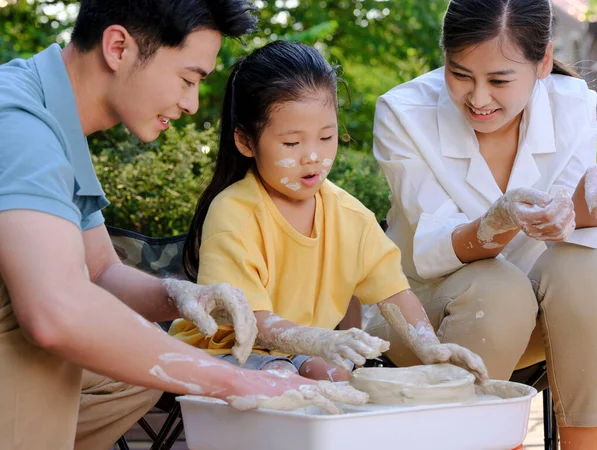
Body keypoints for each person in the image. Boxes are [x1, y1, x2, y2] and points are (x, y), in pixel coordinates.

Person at [0, 2, 358, 449]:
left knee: (137, 364)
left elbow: (99, 273)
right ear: (117, 47)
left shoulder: (55, 126)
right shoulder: (18, 124)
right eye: (187, 80)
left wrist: (183, 296)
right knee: (50, 334)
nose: (191, 104)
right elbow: (56, 313)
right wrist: (234, 380)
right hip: (31, 334)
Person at [169, 41, 488, 385]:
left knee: (341, 379)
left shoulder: (349, 216)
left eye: (326, 137)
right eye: (292, 143)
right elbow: (252, 322)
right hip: (221, 353)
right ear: (246, 141)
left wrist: (431, 348)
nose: (312, 156)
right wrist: (322, 340)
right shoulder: (234, 213)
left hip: (298, 353)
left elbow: (393, 292)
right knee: (283, 376)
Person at [366, 0, 597, 448]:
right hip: (423, 314)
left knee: (588, 267)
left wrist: (588, 203)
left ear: (544, 61)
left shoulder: (573, 106)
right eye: (460, 75)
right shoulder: (403, 114)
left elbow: (570, 227)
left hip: (537, 318)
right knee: (498, 289)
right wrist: (502, 217)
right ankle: (480, 439)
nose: (478, 98)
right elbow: (434, 250)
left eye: (499, 80)